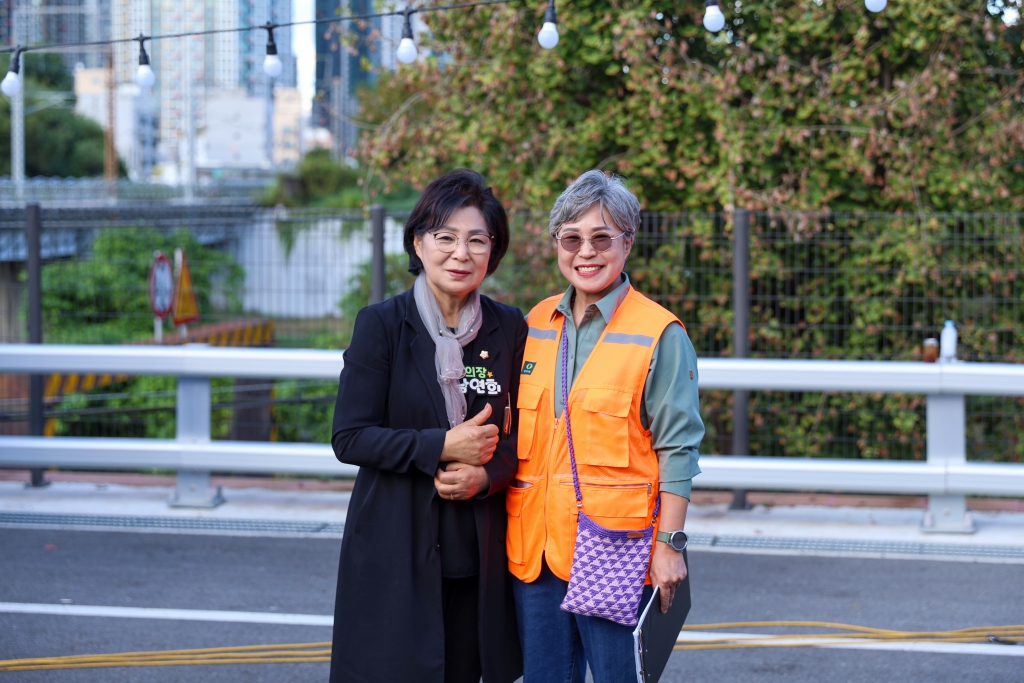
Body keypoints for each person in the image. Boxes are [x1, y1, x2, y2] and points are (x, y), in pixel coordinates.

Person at [330, 169, 526, 683]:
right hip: (395, 544)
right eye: (446, 238)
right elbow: (349, 437)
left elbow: (525, 435)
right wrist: (442, 444)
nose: (461, 254)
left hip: (480, 552)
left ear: (493, 251)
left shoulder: (510, 327)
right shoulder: (383, 325)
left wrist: (486, 476)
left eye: (477, 240)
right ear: (419, 243)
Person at [507, 170, 704, 682]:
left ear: (628, 242)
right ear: (556, 244)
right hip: (538, 553)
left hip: (616, 554)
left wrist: (670, 547)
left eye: (602, 237)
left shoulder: (659, 332)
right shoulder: (533, 324)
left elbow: (678, 448)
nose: (585, 252)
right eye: (571, 238)